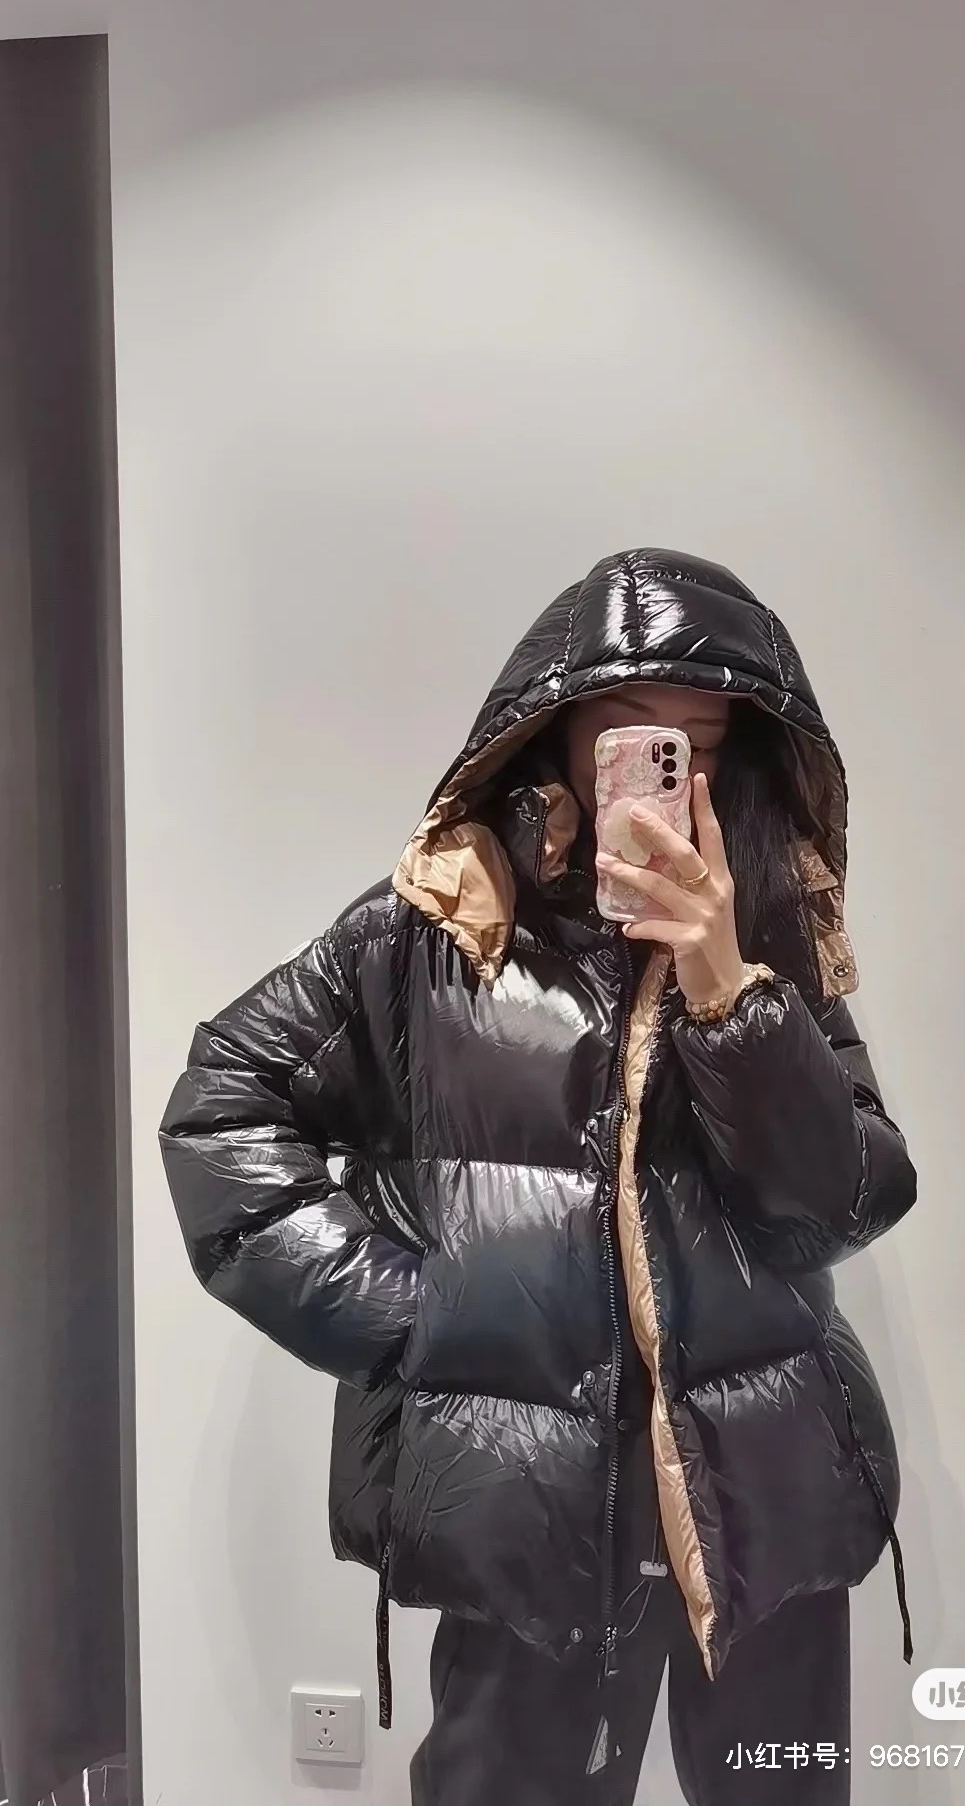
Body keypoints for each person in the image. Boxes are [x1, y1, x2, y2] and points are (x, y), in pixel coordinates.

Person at [160, 547, 917, 1804]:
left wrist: (727, 987)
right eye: (635, 740)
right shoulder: (432, 932)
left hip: (765, 1499)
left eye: (700, 747)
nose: (667, 777)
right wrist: (423, 1317)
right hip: (522, 1509)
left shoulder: (769, 941)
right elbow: (221, 1113)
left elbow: (843, 1204)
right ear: (554, 732)